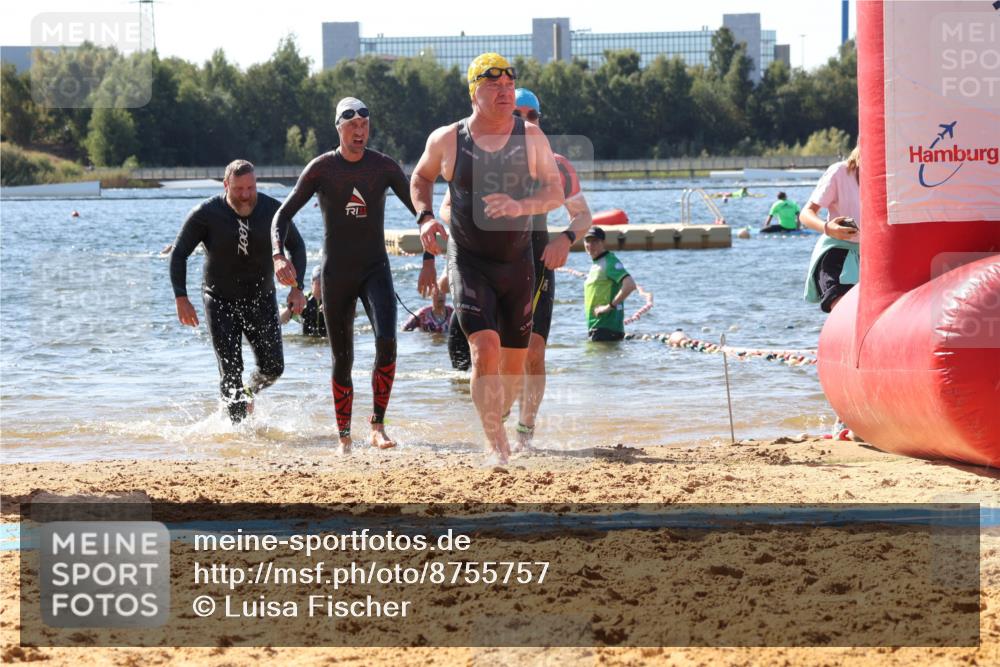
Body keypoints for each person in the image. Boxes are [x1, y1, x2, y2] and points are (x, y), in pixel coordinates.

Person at [410, 53, 565, 463]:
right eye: (494, 86)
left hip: (518, 266)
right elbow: (421, 177)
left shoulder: (530, 137)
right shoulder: (447, 139)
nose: (504, 92)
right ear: (474, 91)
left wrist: (519, 207)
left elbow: (554, 192)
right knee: (485, 348)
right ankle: (495, 442)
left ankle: (502, 419)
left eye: (509, 86)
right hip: (469, 261)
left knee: (514, 365)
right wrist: (426, 217)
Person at [272, 97, 416, 454]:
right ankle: (344, 436)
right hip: (337, 273)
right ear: (338, 127)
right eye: (351, 125)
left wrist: (430, 256)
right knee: (343, 358)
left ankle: (377, 426)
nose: (359, 131)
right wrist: (278, 255)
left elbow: (421, 209)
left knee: (387, 341)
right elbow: (281, 216)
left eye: (364, 125)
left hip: (375, 270)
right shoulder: (322, 169)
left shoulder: (383, 167)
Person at [170, 159, 307, 423]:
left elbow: (297, 247)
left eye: (250, 188)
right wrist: (181, 297)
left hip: (261, 297)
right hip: (219, 299)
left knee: (273, 367)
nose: (245, 196)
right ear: (226, 186)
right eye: (239, 189)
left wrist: (297, 289)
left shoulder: (272, 211)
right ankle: (238, 435)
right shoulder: (206, 214)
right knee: (231, 370)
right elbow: (179, 254)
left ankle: (248, 393)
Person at [800, 146, 861, 314]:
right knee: (843, 309)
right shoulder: (839, 172)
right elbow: (806, 214)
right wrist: (829, 228)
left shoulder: (889, 176)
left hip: (871, 256)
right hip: (837, 254)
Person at [583, 227, 636, 342]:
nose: (590, 245)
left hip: (607, 329)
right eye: (588, 241)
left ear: (603, 243)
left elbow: (630, 285)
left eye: (595, 241)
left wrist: (608, 307)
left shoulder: (610, 261)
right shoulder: (596, 264)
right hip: (597, 328)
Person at [280, 265, 327, 337]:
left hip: (326, 340)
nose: (322, 287)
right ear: (312, 283)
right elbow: (281, 321)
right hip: (307, 341)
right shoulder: (304, 299)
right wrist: (290, 309)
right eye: (319, 283)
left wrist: (332, 312)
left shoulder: (331, 301)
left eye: (325, 283)